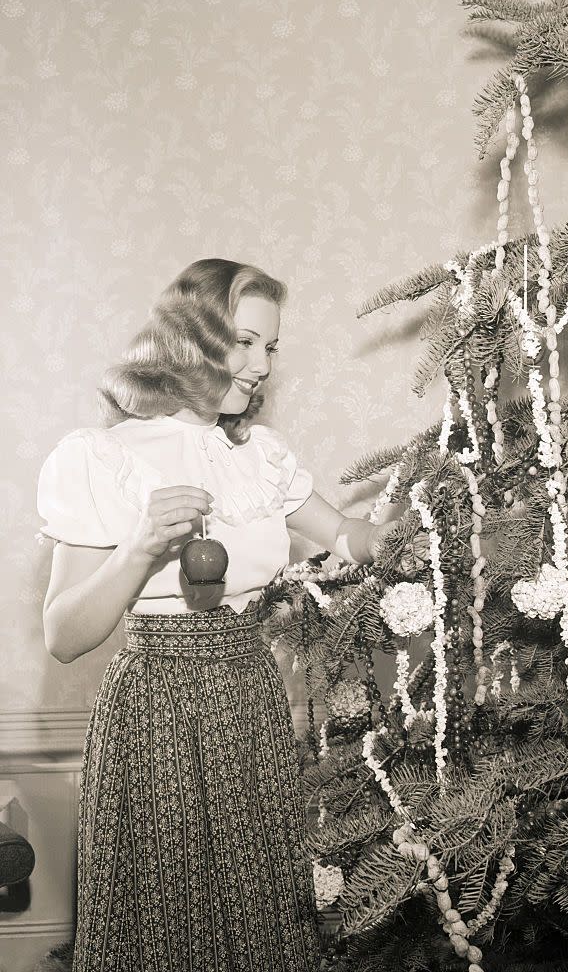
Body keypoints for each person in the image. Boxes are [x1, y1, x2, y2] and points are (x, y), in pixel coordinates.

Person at [37, 259, 403, 972]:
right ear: (190, 340)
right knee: (163, 919)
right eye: (244, 341)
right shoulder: (100, 457)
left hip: (249, 692)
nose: (262, 364)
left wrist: (410, 513)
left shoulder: (261, 457)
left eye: (270, 347)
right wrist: (140, 549)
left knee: (261, 910)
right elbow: (62, 636)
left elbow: (351, 540)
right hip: (153, 705)